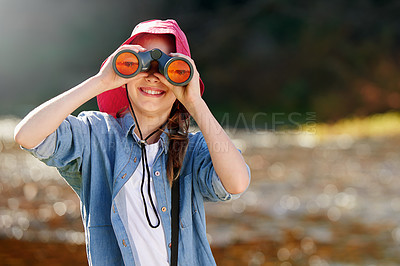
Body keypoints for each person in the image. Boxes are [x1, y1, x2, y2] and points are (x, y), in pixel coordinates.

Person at [14, 19, 250, 266]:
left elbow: (237, 183)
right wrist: (101, 81)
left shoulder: (193, 149)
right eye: (140, 63)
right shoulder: (96, 137)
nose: (153, 77)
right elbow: (28, 136)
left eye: (169, 69)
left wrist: (194, 102)